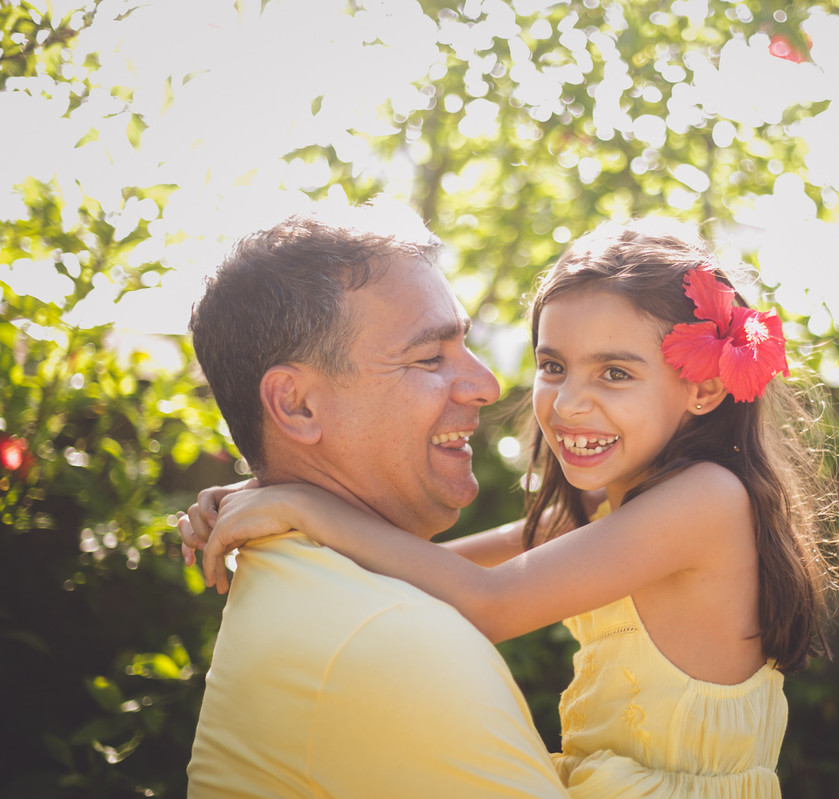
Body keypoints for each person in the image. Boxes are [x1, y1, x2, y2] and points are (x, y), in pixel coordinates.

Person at [184, 218, 839, 798]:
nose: (568, 403)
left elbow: (490, 602)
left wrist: (305, 504)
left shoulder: (706, 500)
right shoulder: (621, 505)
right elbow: (428, 574)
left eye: (615, 373)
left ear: (703, 388)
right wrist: (271, 500)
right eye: (553, 367)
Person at [183, 202, 571, 798]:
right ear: (296, 405)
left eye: (463, 345)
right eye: (429, 357)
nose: (488, 386)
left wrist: (294, 500)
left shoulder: (306, 571)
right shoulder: (395, 640)